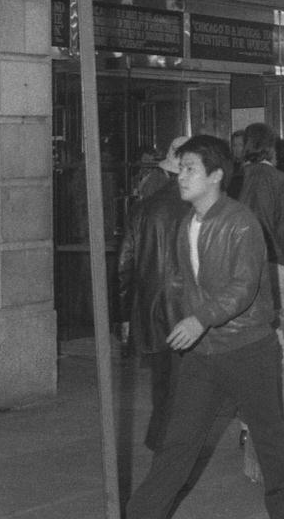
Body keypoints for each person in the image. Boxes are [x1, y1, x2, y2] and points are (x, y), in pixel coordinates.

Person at [124, 135, 284, 519]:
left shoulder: (241, 222)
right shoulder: (187, 222)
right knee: (176, 445)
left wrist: (199, 319)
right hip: (203, 355)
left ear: (216, 175)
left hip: (248, 350)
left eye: (191, 169)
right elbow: (183, 285)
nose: (181, 176)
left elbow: (243, 287)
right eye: (181, 167)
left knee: (270, 439)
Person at [117, 134, 191, 451]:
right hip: (190, 307)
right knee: (189, 380)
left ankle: (160, 434)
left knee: (163, 377)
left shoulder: (143, 208)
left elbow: (124, 266)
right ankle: (172, 438)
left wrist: (123, 316)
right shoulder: (200, 208)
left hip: (153, 308)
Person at [234, 122, 284, 308]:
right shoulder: (280, 181)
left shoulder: (233, 180)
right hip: (274, 269)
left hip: (238, 271)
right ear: (270, 148)